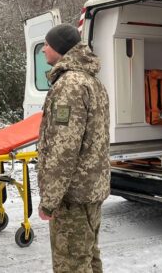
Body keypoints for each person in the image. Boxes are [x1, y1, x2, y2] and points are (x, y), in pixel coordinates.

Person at [36, 23, 110, 273]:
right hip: (90, 189)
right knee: (88, 256)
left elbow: (63, 149)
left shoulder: (70, 84)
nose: (43, 49)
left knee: (71, 263)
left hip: (73, 196)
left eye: (46, 44)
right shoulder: (91, 80)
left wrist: (50, 200)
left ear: (59, 48)